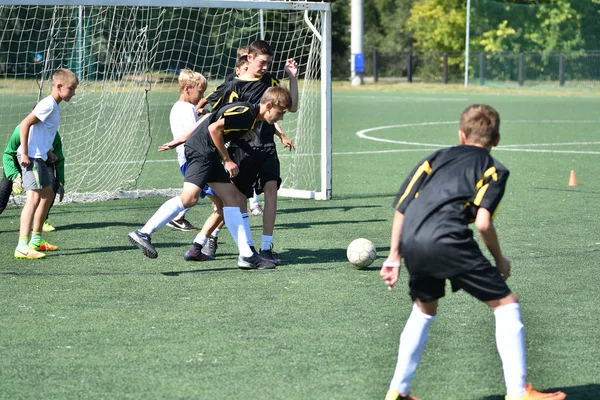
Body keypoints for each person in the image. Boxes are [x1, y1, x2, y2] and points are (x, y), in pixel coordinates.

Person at [380, 104, 566, 400]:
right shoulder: (493, 169)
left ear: (461, 135)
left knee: (424, 309)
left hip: (413, 239)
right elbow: (482, 222)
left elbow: (403, 208)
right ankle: (519, 392)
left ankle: (398, 390)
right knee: (506, 304)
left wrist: (393, 256)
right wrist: (499, 258)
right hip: (448, 239)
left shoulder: (434, 159)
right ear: (497, 139)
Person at [128, 86, 292, 270]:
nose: (281, 118)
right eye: (280, 112)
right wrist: (227, 159)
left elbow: (211, 117)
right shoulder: (246, 113)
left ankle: (246, 255)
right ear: (268, 105)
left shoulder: (249, 116)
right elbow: (214, 128)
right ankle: (143, 233)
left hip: (208, 153)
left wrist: (239, 131)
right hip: (202, 151)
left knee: (236, 198)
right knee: (190, 198)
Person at [202, 40, 298, 265]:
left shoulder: (271, 82)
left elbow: (290, 107)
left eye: (268, 63)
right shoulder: (234, 86)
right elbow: (215, 114)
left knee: (271, 190)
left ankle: (266, 248)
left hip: (266, 147)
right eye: (262, 62)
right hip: (241, 150)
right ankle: (215, 239)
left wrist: (292, 78)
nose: (265, 67)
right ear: (250, 59)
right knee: (236, 201)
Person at [14, 68, 78, 259]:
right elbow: (25, 124)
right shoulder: (48, 104)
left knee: (48, 194)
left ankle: (36, 239)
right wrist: (25, 153)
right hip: (31, 158)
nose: (73, 93)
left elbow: (41, 132)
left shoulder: (55, 106)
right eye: (71, 89)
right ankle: (22, 245)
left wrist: (48, 151)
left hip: (40, 156)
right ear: (59, 86)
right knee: (33, 198)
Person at [0, 125, 65, 231]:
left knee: (52, 184)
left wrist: (61, 182)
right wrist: (15, 176)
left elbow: (59, 157)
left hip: (42, 160)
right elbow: (8, 154)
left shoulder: (53, 133)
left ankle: (41, 220)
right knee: (5, 187)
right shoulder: (20, 129)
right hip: (19, 159)